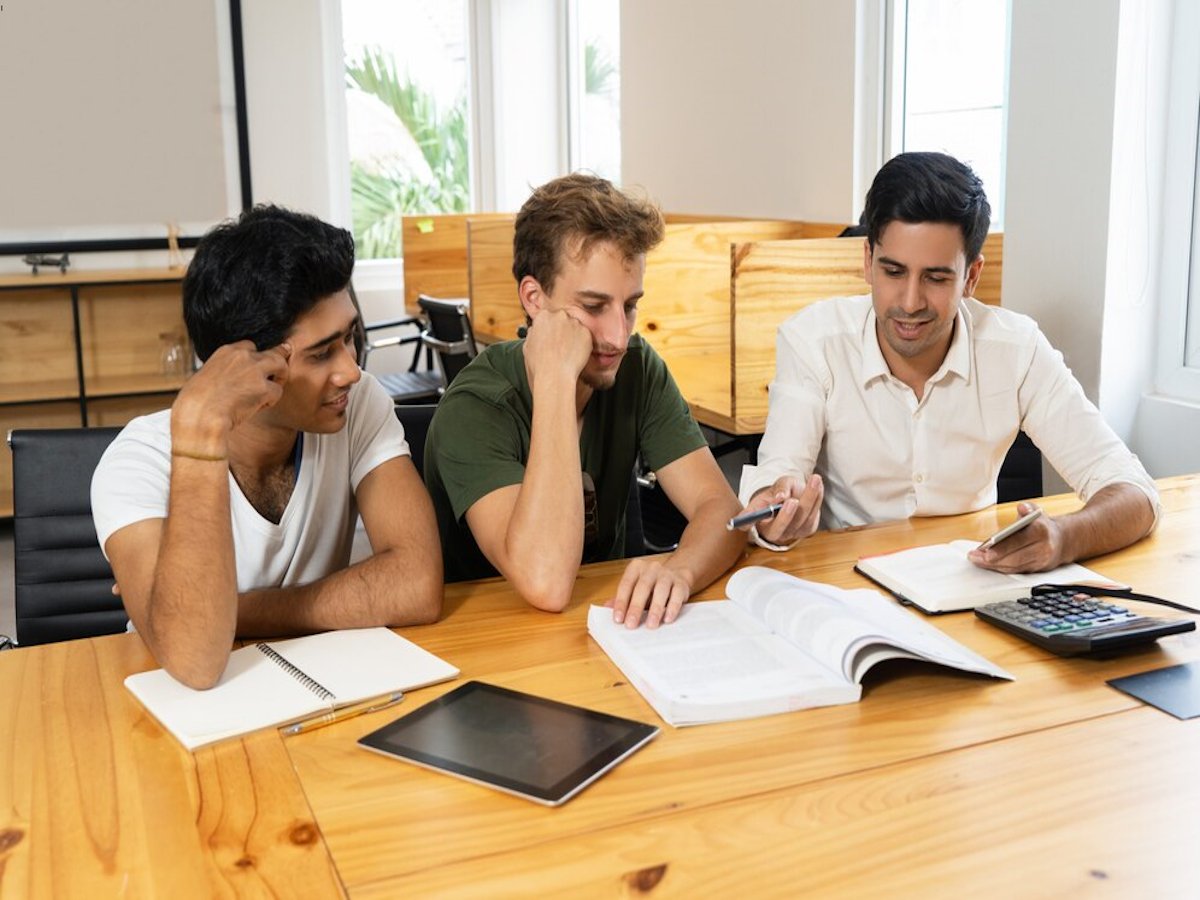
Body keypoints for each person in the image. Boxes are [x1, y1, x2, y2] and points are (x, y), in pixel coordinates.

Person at [736, 151, 1159, 573]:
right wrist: (774, 517)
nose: (910, 302)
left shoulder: (1017, 348)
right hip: (845, 583)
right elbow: (779, 474)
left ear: (971, 277)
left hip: (972, 579)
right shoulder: (813, 340)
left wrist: (1065, 537)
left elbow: (1134, 492)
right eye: (894, 272)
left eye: (936, 278)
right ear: (868, 262)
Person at [92, 206, 442, 689]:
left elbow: (416, 585)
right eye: (322, 353)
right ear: (241, 367)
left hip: (314, 682)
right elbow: (194, 659)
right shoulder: (137, 463)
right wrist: (199, 435)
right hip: (176, 706)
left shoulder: (357, 404)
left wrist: (234, 610)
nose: (351, 371)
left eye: (350, 338)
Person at [423, 173, 743, 628]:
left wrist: (679, 570)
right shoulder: (475, 406)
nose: (617, 336)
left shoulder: (637, 365)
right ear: (534, 298)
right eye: (593, 307)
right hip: (492, 646)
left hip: (605, 627)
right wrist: (555, 378)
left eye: (630, 305)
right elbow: (545, 582)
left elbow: (722, 510)